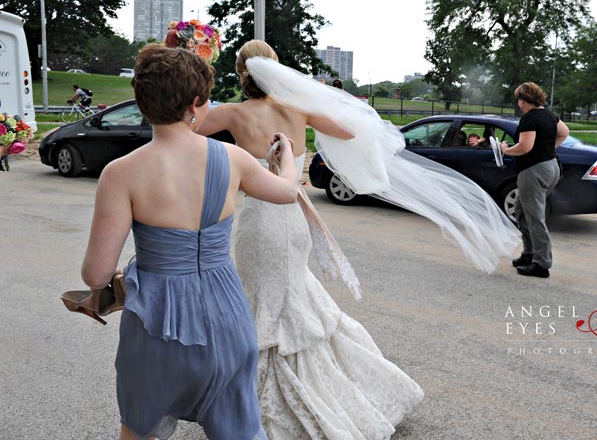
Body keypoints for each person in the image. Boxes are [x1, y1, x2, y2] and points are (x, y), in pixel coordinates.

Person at [198, 40, 425, 439]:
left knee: (263, 300)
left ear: (241, 73)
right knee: (286, 298)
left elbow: (184, 124)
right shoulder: (299, 111)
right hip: (294, 215)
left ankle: (263, 398)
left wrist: (196, 64)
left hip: (257, 221)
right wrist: (315, 100)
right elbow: (351, 130)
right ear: (277, 70)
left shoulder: (233, 114)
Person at [79, 43, 300, 440]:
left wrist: (118, 277)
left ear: (141, 101)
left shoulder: (121, 173)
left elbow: (95, 274)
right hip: (227, 322)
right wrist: (283, 155)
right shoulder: (232, 158)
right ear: (196, 103)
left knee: (141, 430)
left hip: (157, 325)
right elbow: (286, 192)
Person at [500, 82, 569, 279]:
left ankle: (542, 264)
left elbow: (524, 147)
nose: (518, 104)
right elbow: (564, 132)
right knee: (521, 210)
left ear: (522, 101)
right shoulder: (548, 114)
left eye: (518, 100)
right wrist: (548, 149)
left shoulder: (530, 118)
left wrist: (505, 150)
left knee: (535, 216)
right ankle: (529, 254)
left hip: (534, 171)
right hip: (551, 167)